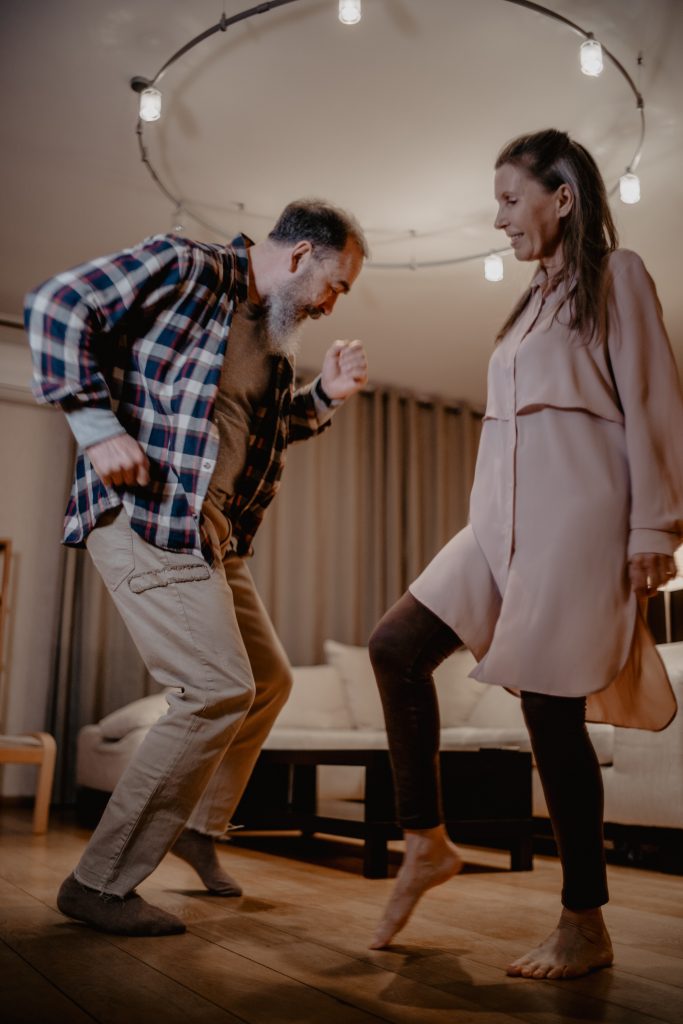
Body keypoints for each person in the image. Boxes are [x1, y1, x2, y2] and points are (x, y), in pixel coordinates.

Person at [368, 129, 683, 979]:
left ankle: (585, 919)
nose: (498, 217)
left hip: (577, 522)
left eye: (510, 198)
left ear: (562, 197)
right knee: (395, 647)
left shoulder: (615, 275)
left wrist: (654, 528)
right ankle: (426, 842)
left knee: (549, 711)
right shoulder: (529, 302)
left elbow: (654, 399)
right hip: (495, 520)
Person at [25, 198, 369, 936]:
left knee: (267, 682)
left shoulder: (273, 337)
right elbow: (57, 304)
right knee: (214, 688)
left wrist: (325, 398)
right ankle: (100, 882)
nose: (332, 303)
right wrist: (94, 425)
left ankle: (198, 828)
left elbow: (263, 432)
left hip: (212, 537)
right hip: (146, 511)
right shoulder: (187, 268)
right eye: (336, 284)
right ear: (302, 257)